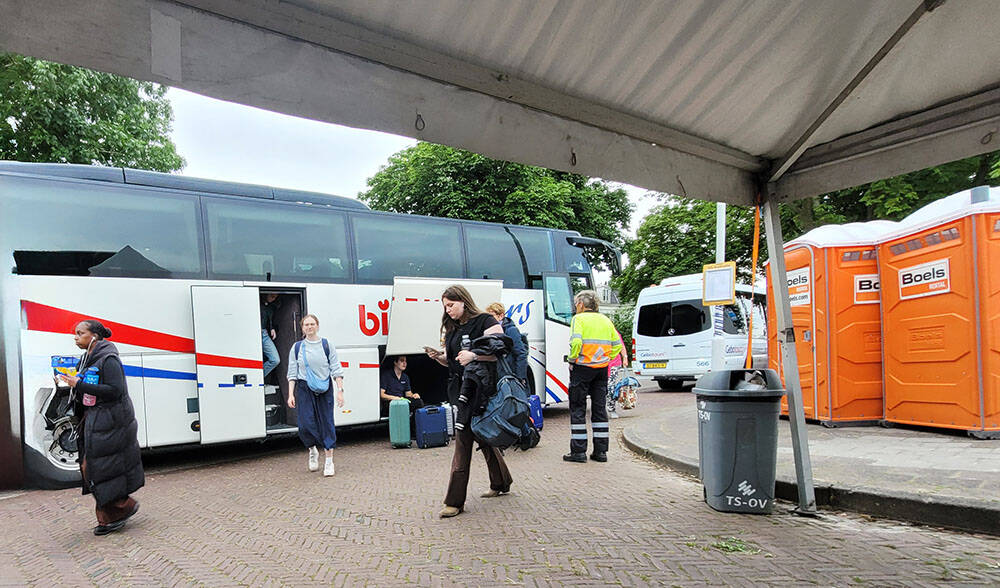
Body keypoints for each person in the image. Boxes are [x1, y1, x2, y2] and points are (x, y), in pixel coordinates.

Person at [426, 285, 512, 518]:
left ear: (463, 301)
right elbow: (454, 360)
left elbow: (500, 349)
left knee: (463, 440)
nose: (448, 310)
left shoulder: (484, 321)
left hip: (481, 389)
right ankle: (501, 482)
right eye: (445, 306)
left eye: (451, 305)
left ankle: (454, 502)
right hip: (460, 389)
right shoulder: (452, 328)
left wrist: (475, 355)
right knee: (482, 435)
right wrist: (439, 357)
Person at [56, 320, 143, 536]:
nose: (75, 337)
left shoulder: (108, 359)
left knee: (95, 467)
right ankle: (114, 513)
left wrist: (79, 385)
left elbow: (115, 390)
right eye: (74, 334)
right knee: (95, 467)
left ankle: (121, 509)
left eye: (80, 333)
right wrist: (72, 380)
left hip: (110, 419)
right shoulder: (87, 358)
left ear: (94, 336)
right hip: (94, 418)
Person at [564, 290, 622, 464]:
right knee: (599, 409)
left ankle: (579, 451)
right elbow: (617, 345)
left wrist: (573, 360)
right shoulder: (605, 320)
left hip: (582, 368)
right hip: (601, 369)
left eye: (576, 304)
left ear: (581, 304)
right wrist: (605, 358)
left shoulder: (578, 319)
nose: (576, 307)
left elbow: (576, 342)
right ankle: (601, 451)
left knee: (578, 408)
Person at [287, 314, 345, 477]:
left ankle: (329, 461)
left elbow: (336, 369)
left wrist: (340, 391)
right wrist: (291, 394)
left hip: (324, 387)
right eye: (306, 325)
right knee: (304, 424)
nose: (309, 327)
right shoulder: (297, 347)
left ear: (317, 326)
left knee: (326, 423)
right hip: (304, 388)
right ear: (302, 328)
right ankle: (312, 449)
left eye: (312, 324)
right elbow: (292, 372)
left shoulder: (327, 345)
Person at [485, 302, 528, 384]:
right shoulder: (492, 330)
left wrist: (520, 377)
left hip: (509, 374)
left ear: (501, 316)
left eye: (492, 316)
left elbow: (520, 353)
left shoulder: (510, 330)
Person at [606, 329, 630, 419]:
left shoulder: (613, 331)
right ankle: (600, 409)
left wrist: (625, 357)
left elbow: (621, 345)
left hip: (613, 363)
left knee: (610, 386)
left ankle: (611, 409)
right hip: (600, 363)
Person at [260, 293, 281, 378]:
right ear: (266, 294)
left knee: (275, 360)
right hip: (252, 333)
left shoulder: (271, 307)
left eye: (275, 297)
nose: (273, 299)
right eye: (272, 296)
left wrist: (272, 328)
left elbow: (269, 320)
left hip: (264, 333)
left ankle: (259, 377)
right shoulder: (256, 302)